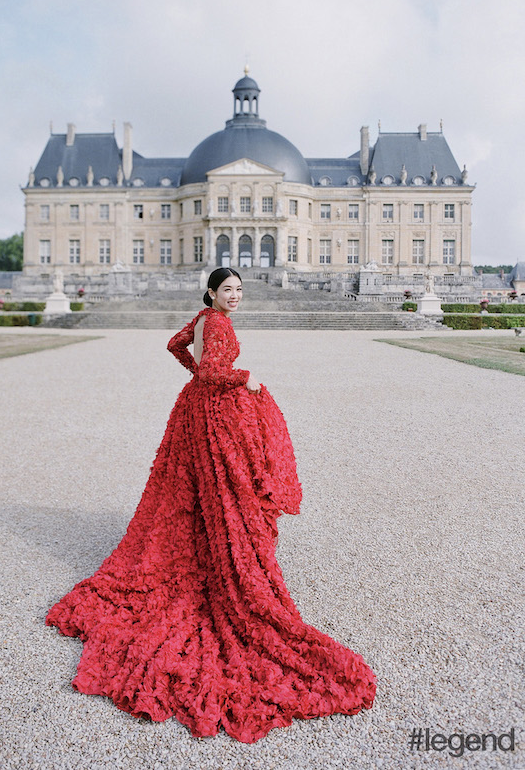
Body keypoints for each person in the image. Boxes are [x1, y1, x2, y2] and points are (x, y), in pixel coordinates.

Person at [46, 268, 376, 743]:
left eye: (239, 290)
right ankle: (217, 550)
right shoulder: (218, 323)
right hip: (214, 411)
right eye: (228, 290)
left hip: (191, 407)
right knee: (226, 488)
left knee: (190, 488)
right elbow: (214, 371)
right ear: (211, 293)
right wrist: (248, 379)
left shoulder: (201, 319)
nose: (236, 297)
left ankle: (202, 539)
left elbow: (176, 348)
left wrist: (200, 377)